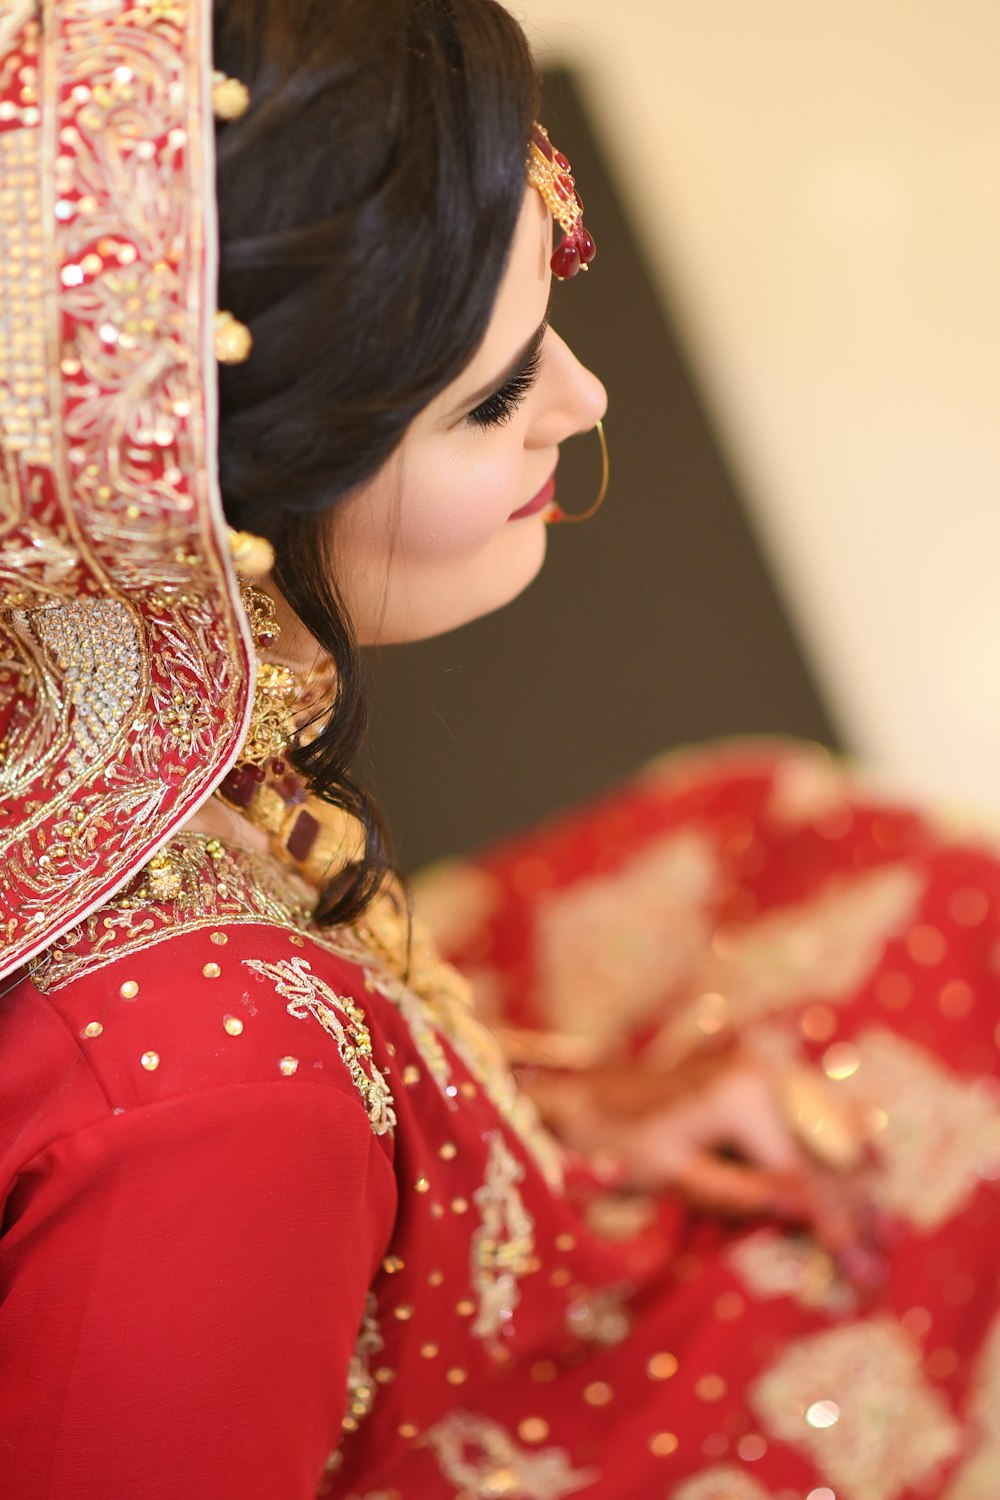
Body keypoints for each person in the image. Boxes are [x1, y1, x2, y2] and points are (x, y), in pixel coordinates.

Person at [1, 2, 998, 1497]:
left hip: (353, 1223)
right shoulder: (226, 1109)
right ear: (202, 494)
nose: (589, 405)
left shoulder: (91, 665)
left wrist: (571, 1115)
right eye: (493, 398)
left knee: (824, 855)